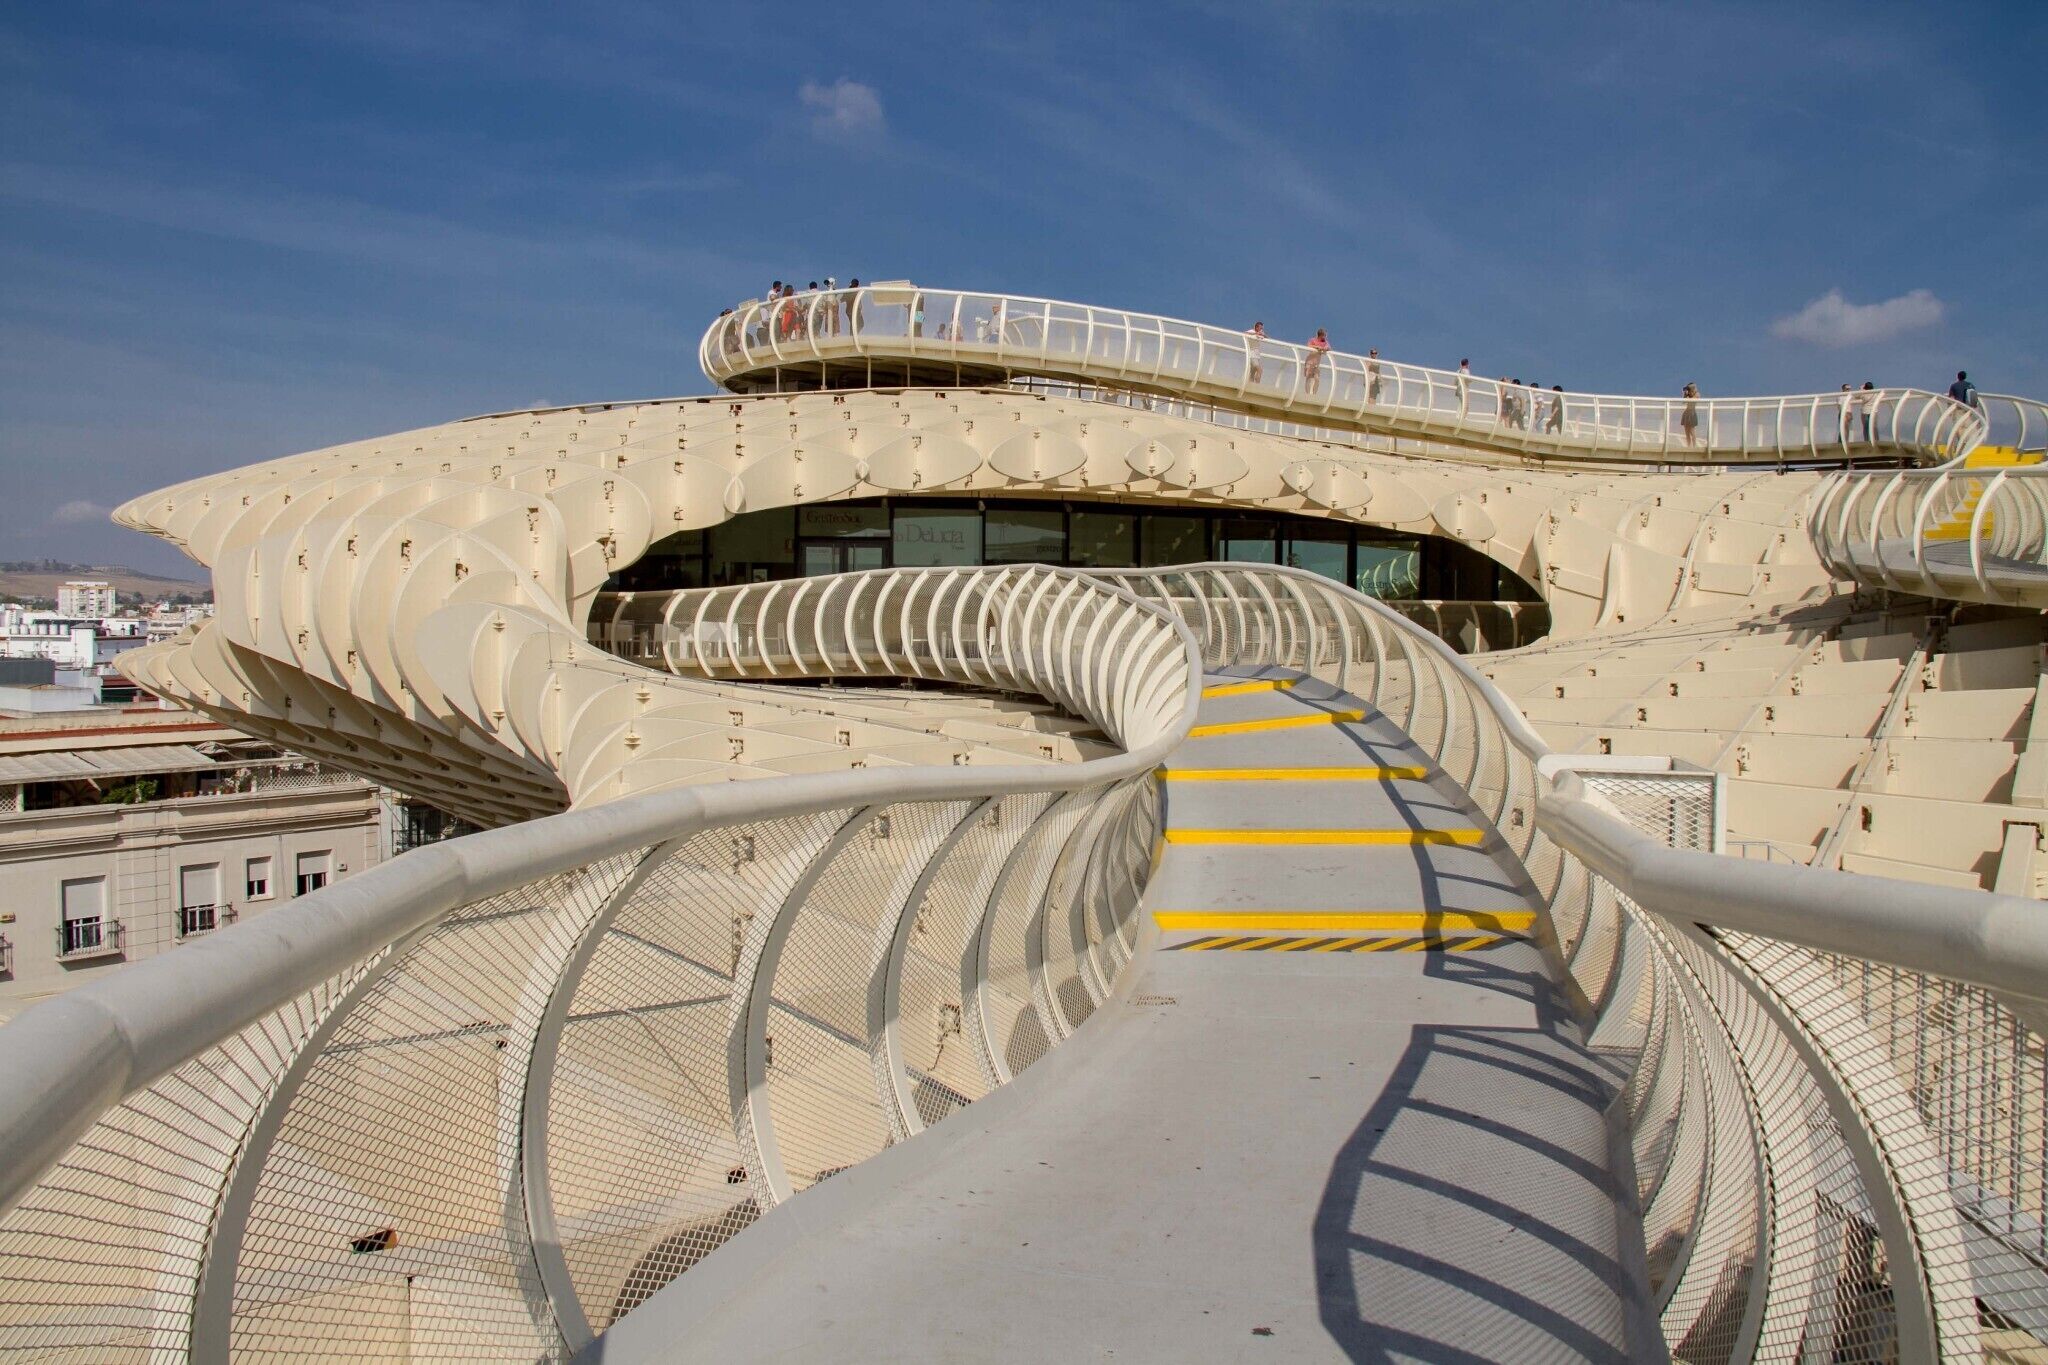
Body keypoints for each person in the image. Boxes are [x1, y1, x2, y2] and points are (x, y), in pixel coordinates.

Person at [1304, 328, 1331, 393]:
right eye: (1325, 335)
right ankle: (1307, 393)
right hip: (1309, 362)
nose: (1325, 337)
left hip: (1316, 364)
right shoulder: (1313, 340)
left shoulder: (1325, 342)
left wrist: (1325, 348)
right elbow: (1308, 345)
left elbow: (1329, 347)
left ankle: (1314, 393)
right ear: (1321, 335)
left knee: (1317, 379)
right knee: (1309, 378)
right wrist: (1317, 347)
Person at [1680, 382, 1701, 447]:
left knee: (1692, 431)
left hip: (1692, 413)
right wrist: (1685, 395)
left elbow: (1693, 400)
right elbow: (1683, 402)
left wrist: (1688, 396)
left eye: (1689, 388)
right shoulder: (1688, 394)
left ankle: (1694, 446)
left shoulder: (1697, 394)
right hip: (1686, 413)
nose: (1688, 389)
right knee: (1687, 432)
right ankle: (1688, 446)